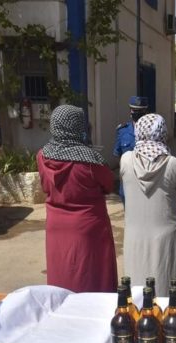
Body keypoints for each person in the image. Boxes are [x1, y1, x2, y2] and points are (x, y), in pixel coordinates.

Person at [37, 105, 117, 293]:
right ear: (78, 127)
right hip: (88, 228)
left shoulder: (42, 155)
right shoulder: (91, 161)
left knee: (61, 277)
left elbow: (44, 187)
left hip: (56, 226)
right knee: (92, 279)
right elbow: (108, 185)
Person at [120, 113, 176, 297]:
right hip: (167, 239)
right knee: (167, 285)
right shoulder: (174, 164)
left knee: (136, 287)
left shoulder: (125, 160)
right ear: (163, 132)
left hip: (134, 236)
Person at [113, 96, 149, 201]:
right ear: (130, 111)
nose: (137, 113)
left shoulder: (153, 131)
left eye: (140, 111)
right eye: (134, 110)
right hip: (127, 183)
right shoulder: (122, 131)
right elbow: (118, 155)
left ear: (145, 111)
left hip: (145, 182)